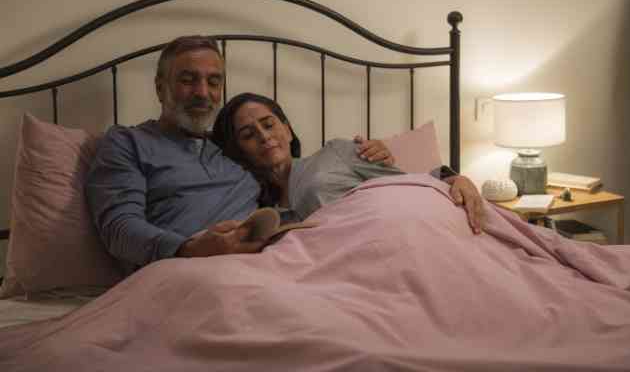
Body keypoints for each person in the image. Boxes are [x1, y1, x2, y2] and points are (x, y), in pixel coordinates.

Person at [85, 35, 394, 274]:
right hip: (181, 273)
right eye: (187, 80)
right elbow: (119, 228)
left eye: (213, 81)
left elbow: (296, 174)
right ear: (160, 88)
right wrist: (190, 249)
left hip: (267, 270)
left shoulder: (234, 152)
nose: (202, 92)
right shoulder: (127, 142)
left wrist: (366, 156)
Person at [211, 93, 485, 233]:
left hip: (389, 234)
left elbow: (406, 182)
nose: (263, 136)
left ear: (287, 127)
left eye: (269, 124)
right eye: (248, 134)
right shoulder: (252, 205)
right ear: (240, 152)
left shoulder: (336, 151)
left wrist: (455, 179)